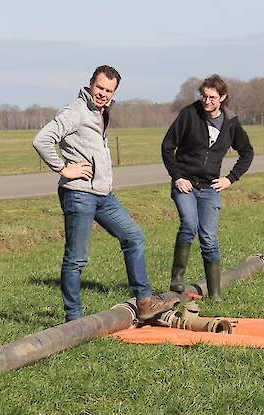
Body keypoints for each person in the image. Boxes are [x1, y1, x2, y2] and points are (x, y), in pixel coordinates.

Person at [33, 65, 171, 322]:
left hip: (103, 195)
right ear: (90, 84)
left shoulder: (100, 112)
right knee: (77, 259)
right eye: (99, 88)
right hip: (79, 194)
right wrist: (64, 169)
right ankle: (74, 320)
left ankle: (144, 301)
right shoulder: (76, 111)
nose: (103, 94)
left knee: (134, 237)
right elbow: (42, 139)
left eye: (109, 90)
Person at [161, 74, 254, 300]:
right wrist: (177, 177)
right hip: (185, 184)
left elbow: (247, 152)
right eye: (203, 96)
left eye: (212, 97)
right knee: (189, 224)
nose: (207, 101)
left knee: (209, 239)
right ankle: (177, 279)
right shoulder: (189, 115)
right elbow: (167, 146)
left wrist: (230, 178)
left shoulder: (231, 122)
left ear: (222, 98)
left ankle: (215, 294)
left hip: (210, 188)